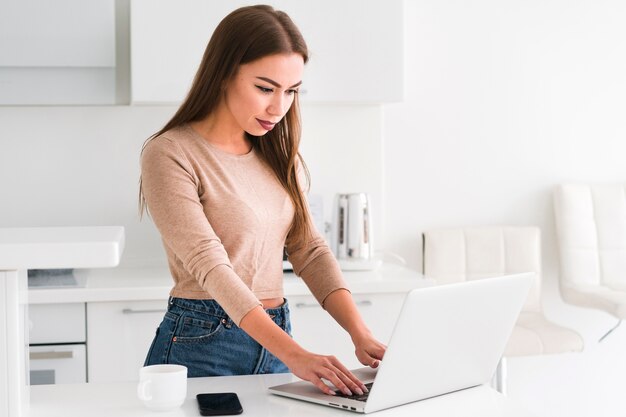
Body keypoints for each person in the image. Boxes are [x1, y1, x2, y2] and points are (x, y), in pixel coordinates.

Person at [139, 4, 385, 397]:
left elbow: (308, 248)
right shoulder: (171, 153)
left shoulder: (275, 154)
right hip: (201, 343)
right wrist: (296, 355)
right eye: (265, 88)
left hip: (274, 336)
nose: (278, 106)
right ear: (223, 74)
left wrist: (360, 332)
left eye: (291, 91)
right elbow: (210, 264)